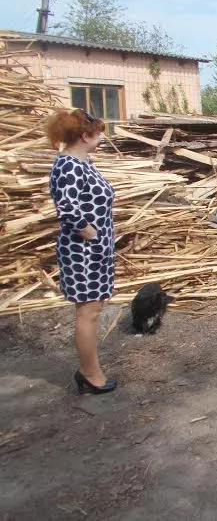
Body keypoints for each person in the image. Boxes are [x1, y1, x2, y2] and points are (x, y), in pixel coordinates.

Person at [46, 109, 117, 395]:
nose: (101, 137)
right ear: (85, 135)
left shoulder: (83, 163)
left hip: (95, 250)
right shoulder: (69, 166)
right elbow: (69, 210)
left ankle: (90, 369)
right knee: (87, 313)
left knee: (93, 309)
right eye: (98, 133)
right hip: (83, 252)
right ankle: (90, 374)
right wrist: (93, 235)